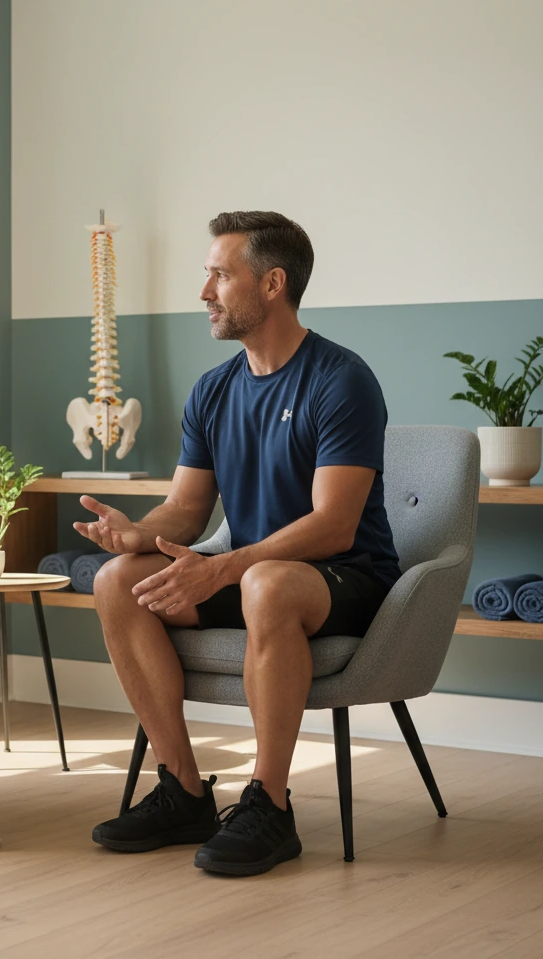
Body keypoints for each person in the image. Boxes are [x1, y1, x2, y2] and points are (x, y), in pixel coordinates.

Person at [79, 211, 400, 877]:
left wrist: (224, 568)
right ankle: (184, 791)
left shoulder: (341, 380)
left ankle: (270, 805)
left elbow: (334, 525)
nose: (204, 293)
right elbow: (187, 509)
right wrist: (137, 535)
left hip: (343, 579)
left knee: (267, 582)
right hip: (251, 577)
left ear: (273, 283)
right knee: (118, 580)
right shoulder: (214, 390)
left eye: (219, 275)